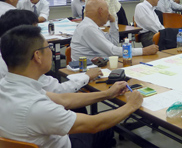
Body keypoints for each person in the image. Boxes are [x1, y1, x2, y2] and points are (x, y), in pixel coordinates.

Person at [0, 25, 143, 147]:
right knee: (104, 130)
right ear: (37, 56)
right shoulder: (36, 107)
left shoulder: (9, 85)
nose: (50, 51)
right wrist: (131, 105)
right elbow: (94, 125)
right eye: (48, 47)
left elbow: (63, 100)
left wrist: (107, 94)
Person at [0, 9, 102, 92]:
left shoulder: (8, 53)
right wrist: (87, 76)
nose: (39, 37)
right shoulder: (21, 63)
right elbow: (58, 92)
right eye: (35, 32)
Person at [71, 0, 158, 61]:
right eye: (107, 10)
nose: (109, 13)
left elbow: (113, 43)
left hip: (97, 66)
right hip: (87, 71)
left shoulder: (91, 25)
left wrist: (113, 22)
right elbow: (112, 51)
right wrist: (143, 50)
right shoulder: (88, 28)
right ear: (100, 11)